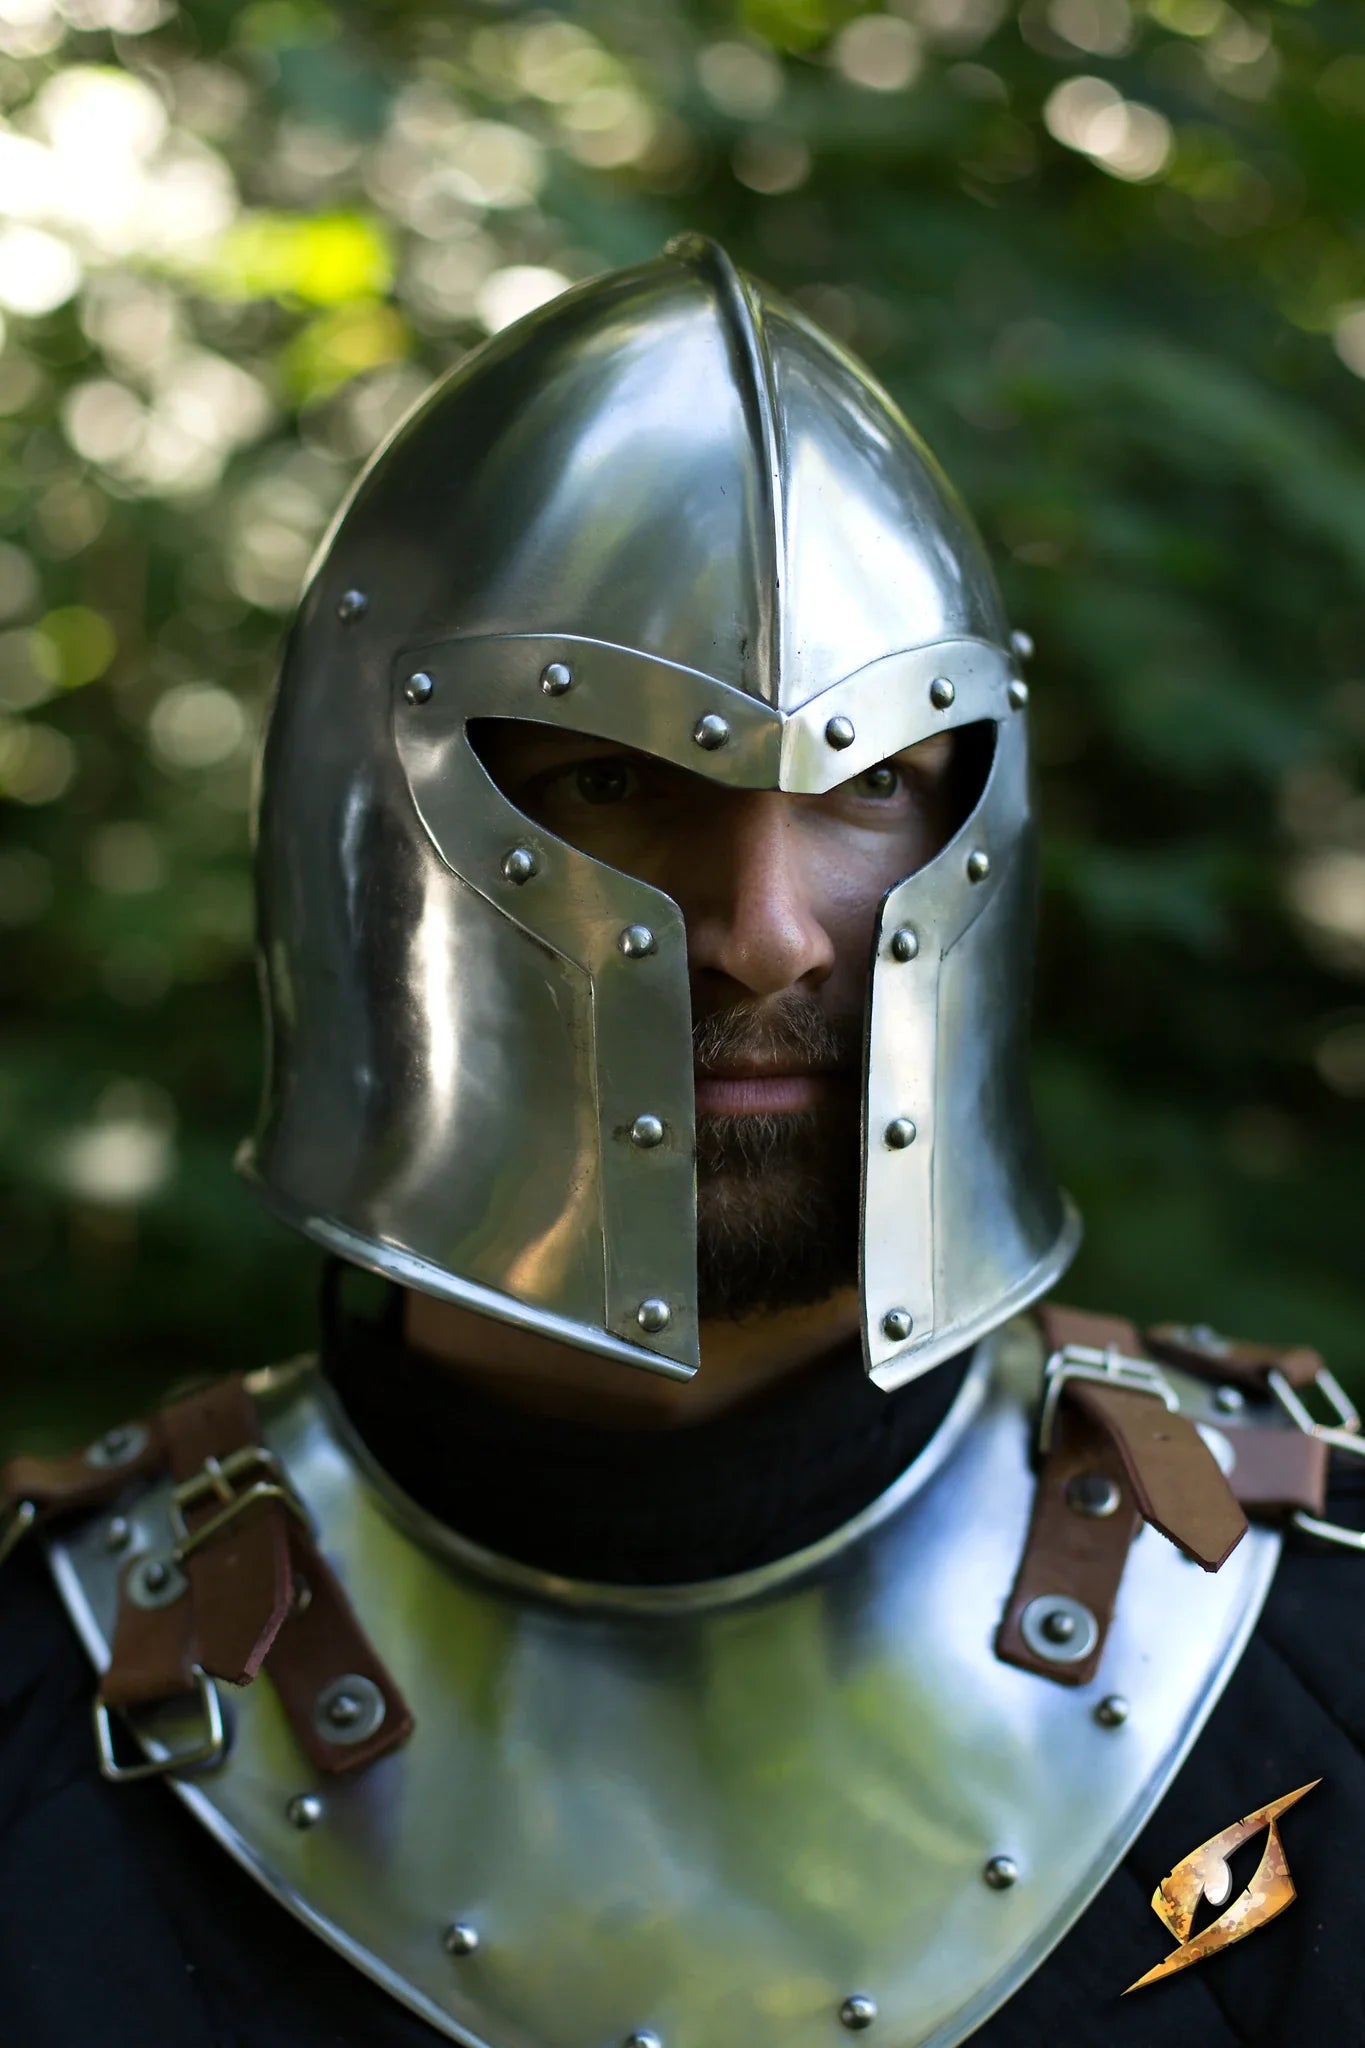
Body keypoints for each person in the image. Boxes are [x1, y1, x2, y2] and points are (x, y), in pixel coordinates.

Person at [2, 236, 1362, 2048]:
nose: (767, 934)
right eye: (610, 781)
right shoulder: (55, 1711)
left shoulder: (1298, 1665)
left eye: (868, 786)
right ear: (368, 831)